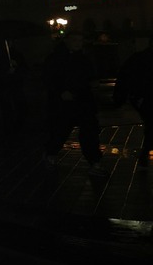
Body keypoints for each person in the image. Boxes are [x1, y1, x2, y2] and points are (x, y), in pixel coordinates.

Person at [43, 31, 105, 175]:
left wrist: (93, 82)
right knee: (60, 130)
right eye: (75, 40)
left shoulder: (84, 58)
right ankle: (50, 153)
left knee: (89, 132)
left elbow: (90, 75)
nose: (78, 43)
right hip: (64, 103)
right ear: (67, 41)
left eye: (80, 40)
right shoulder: (55, 58)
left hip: (83, 101)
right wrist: (61, 92)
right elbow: (49, 78)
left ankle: (94, 162)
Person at [112, 40, 153, 167]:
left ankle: (145, 153)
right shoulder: (141, 59)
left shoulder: (139, 58)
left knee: (151, 125)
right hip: (145, 97)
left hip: (143, 98)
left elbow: (124, 77)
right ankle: (145, 152)